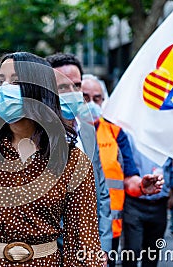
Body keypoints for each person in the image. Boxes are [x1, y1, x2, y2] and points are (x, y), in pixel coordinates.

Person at [0, 52, 103, 266]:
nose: (5, 88)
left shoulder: (72, 160)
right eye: (0, 82)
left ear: (39, 88)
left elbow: (83, 241)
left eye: (15, 81)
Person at [80, 74, 164, 267]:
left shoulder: (116, 133)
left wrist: (142, 186)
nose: (91, 103)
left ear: (104, 101)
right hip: (75, 230)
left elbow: (129, 180)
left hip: (109, 232)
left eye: (97, 98)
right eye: (84, 97)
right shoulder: (68, 133)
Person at [46, 52, 112, 265]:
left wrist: (102, 247)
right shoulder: (37, 138)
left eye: (76, 85)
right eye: (63, 87)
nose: (72, 93)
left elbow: (102, 194)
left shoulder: (87, 131)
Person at [123, 134, 173, 267]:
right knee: (132, 250)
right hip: (134, 203)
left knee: (152, 253)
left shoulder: (168, 142)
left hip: (159, 206)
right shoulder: (130, 136)